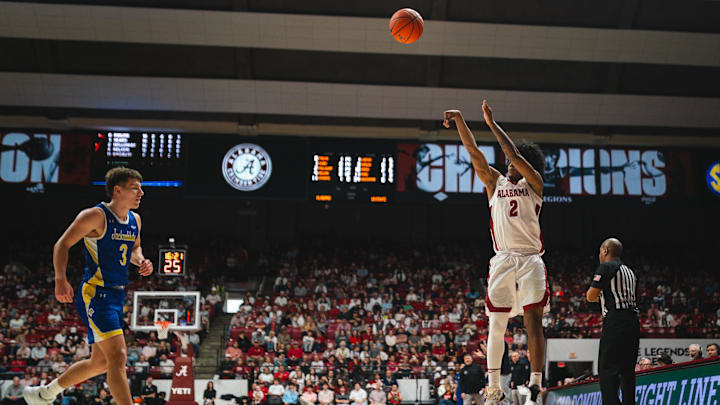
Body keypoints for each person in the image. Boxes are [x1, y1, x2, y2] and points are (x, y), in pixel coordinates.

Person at [444, 101, 548, 405]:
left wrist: (491, 123)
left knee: (533, 322)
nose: (508, 164)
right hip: (503, 258)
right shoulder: (494, 182)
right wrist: (463, 121)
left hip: (530, 259)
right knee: (496, 323)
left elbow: (514, 154)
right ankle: (493, 387)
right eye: (507, 163)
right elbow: (474, 153)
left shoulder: (535, 184)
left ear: (528, 165)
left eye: (514, 162)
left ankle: (536, 385)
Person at [24, 168, 153, 405]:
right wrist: (60, 279)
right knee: (118, 356)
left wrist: (141, 261)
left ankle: (44, 394)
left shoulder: (135, 220)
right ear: (118, 190)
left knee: (99, 363)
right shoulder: (95, 216)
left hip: (116, 295)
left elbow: (134, 249)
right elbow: (62, 245)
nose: (141, 193)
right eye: (135, 188)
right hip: (95, 293)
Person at [586, 238, 639, 405]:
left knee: (607, 369)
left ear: (605, 251)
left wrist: (598, 295)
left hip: (615, 320)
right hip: (632, 321)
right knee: (627, 370)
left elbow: (590, 296)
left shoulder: (606, 267)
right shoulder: (630, 271)